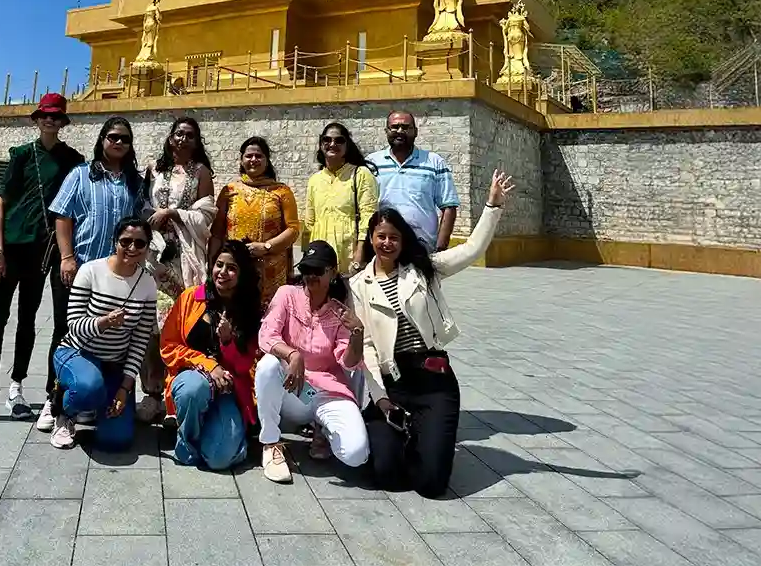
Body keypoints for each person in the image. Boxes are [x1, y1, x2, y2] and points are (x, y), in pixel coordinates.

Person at [350, 170, 515, 497]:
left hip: (433, 381)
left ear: (402, 241)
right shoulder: (358, 285)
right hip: (394, 384)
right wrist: (380, 398)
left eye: (394, 237)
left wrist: (492, 207)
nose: (387, 243)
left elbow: (471, 249)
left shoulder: (423, 269)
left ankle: (423, 438)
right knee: (387, 475)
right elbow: (367, 347)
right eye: (381, 236)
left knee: (431, 485)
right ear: (370, 238)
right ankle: (389, 429)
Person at [0, 92, 84, 431]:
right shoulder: (21, 155)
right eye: (45, 115)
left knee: (27, 320)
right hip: (11, 249)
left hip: (42, 252)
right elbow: (1, 203)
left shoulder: (72, 160)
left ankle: (16, 389)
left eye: (56, 116)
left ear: (62, 122)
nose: (50, 120)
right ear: (37, 119)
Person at [36, 116, 147, 433]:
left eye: (125, 139)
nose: (119, 143)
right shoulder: (81, 174)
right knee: (66, 332)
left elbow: (141, 224)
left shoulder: (134, 183)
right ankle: (55, 399)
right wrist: (66, 257)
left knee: (109, 332)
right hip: (78, 268)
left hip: (115, 275)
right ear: (102, 140)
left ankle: (90, 395)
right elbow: (63, 216)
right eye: (113, 137)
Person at [255, 240, 369, 483]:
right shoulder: (287, 294)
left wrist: (357, 333)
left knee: (356, 454)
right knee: (268, 365)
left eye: (317, 270)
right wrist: (292, 354)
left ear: (332, 272)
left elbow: (349, 363)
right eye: (306, 269)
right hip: (295, 390)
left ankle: (323, 429)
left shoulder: (340, 311)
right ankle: (271, 443)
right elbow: (266, 335)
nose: (310, 276)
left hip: (327, 391)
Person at [49, 216, 157, 450]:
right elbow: (73, 324)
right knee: (88, 388)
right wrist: (103, 323)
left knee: (116, 440)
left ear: (147, 247)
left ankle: (96, 403)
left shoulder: (148, 283)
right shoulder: (91, 271)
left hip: (114, 364)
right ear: (114, 242)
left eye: (140, 243)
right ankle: (63, 409)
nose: (132, 248)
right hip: (77, 352)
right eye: (125, 241)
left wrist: (125, 388)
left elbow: (140, 341)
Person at [138, 116, 217, 423]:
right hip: (155, 256)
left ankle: (177, 393)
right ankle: (152, 392)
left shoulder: (201, 173)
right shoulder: (154, 169)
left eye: (190, 135)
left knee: (181, 324)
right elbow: (143, 204)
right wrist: (154, 219)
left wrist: (173, 213)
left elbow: (207, 214)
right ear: (170, 138)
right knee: (151, 325)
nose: (183, 139)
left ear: (197, 141)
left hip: (185, 259)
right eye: (179, 134)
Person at [159, 240, 262, 470]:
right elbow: (168, 346)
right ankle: (186, 443)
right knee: (194, 389)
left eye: (231, 268)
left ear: (242, 274)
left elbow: (245, 365)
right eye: (219, 265)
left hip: (228, 390)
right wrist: (208, 365)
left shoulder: (248, 311)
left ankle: (225, 435)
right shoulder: (190, 298)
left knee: (219, 459)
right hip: (192, 378)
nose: (223, 272)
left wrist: (227, 342)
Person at [209, 137, 300, 308]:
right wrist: (211, 264)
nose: (253, 160)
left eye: (259, 156)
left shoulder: (281, 192)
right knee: (236, 312)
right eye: (249, 156)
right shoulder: (229, 191)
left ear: (267, 161)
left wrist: (266, 247)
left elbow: (293, 229)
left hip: (270, 270)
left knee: (270, 315)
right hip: (235, 269)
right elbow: (217, 232)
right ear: (241, 160)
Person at [368, 111, 459, 250]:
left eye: (406, 127)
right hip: (383, 248)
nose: (400, 131)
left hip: (422, 248)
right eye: (394, 127)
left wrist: (440, 249)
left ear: (416, 132)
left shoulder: (434, 162)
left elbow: (449, 207)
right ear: (386, 131)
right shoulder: (372, 163)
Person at [303, 122, 378, 277]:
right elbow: (309, 223)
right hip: (320, 257)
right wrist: (307, 256)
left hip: (349, 256)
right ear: (320, 144)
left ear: (347, 145)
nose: (332, 144)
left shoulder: (361, 175)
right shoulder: (315, 180)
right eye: (327, 140)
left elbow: (368, 217)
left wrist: (359, 254)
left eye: (339, 140)